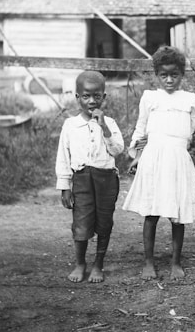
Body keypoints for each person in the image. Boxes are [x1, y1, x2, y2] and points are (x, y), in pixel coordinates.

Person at [122, 46, 195, 280]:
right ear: (156, 75)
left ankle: (176, 262)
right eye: (164, 75)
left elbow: (188, 134)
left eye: (174, 75)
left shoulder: (192, 101)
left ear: (182, 74)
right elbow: (141, 129)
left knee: (177, 214)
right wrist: (137, 157)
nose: (169, 80)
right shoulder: (150, 98)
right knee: (151, 212)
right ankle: (148, 262)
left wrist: (175, 150)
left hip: (177, 160)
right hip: (153, 160)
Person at [55, 71, 124, 283]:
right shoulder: (70, 125)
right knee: (81, 222)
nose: (91, 101)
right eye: (86, 96)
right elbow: (63, 157)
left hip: (106, 180)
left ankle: (98, 264)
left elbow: (118, 150)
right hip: (81, 180)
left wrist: (103, 127)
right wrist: (64, 186)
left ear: (104, 97)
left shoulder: (109, 123)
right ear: (77, 98)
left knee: (104, 221)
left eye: (96, 96)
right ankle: (80, 263)